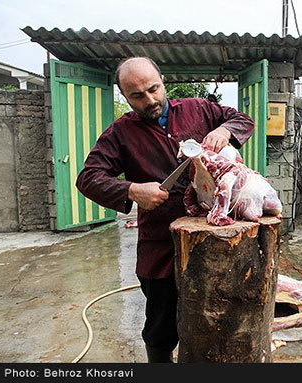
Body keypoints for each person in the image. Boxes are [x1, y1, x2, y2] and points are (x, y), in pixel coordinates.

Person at [76, 57, 255, 362]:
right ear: (124, 96)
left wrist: (225, 131)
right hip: (160, 244)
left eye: (153, 88)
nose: (150, 100)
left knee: (222, 315)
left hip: (214, 236)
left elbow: (242, 119)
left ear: (162, 80)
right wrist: (132, 190)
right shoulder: (120, 133)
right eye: (137, 96)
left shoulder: (198, 108)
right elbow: (88, 178)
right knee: (161, 325)